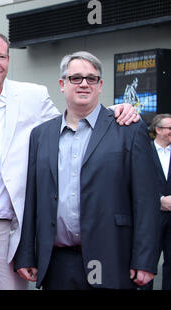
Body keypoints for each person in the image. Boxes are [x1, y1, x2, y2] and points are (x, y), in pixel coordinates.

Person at [0, 29, 140, 290]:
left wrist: (116, 111)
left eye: (2, 56)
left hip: (6, 229)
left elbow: (75, 123)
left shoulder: (33, 96)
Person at [14, 51, 160, 290]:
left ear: (100, 85)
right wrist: (27, 253)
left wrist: (145, 259)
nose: (84, 83)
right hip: (57, 262)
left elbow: (146, 200)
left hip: (112, 257)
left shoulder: (128, 130)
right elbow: (32, 198)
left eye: (91, 78)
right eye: (76, 78)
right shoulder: (41, 135)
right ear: (62, 84)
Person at [150, 114, 171, 290]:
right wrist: (159, 200)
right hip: (152, 217)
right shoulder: (145, 151)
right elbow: (140, 181)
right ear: (158, 130)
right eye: (169, 128)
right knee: (148, 263)